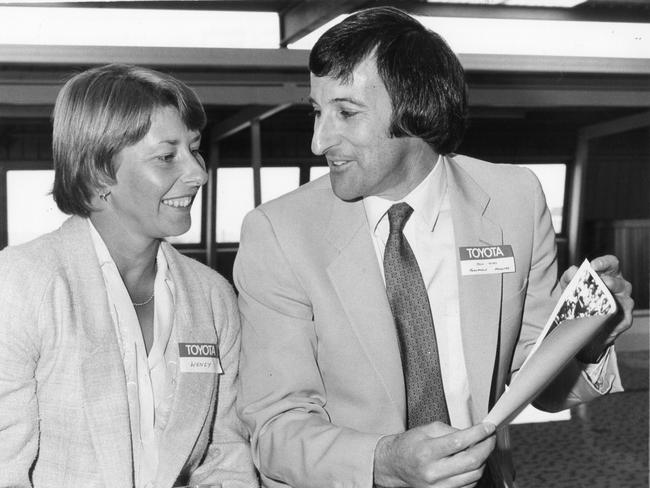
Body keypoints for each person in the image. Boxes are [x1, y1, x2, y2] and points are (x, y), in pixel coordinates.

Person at [233, 7, 634, 488]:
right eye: (317, 111)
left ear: (414, 108)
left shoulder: (514, 201)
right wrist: (383, 460)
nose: (319, 141)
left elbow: (537, 380)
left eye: (346, 112)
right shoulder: (278, 232)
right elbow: (275, 426)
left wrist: (584, 341)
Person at [0, 64, 258, 487]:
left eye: (194, 149)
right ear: (100, 172)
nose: (198, 173)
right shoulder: (21, 285)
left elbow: (224, 454)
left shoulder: (212, 297)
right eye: (167, 156)